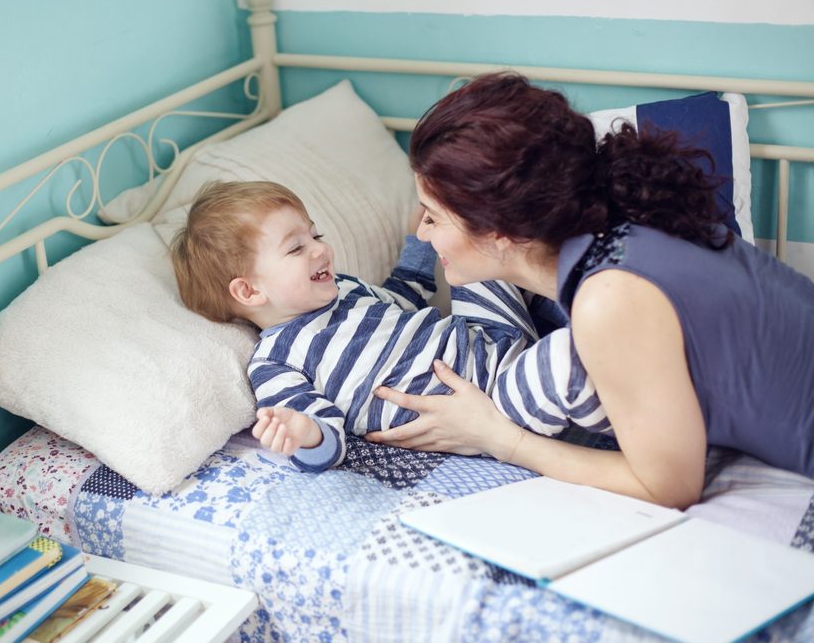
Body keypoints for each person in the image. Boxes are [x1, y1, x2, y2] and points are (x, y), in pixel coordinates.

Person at [366, 72, 814, 508]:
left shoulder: (610, 296)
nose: (422, 236)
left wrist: (499, 437)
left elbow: (669, 487)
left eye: (433, 217)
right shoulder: (626, 215)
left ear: (498, 230)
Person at [170, 180, 607, 472]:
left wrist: (419, 241)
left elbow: (406, 294)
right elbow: (328, 442)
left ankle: (591, 289)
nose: (320, 251)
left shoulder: (344, 288)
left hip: (492, 340)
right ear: (249, 292)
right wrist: (303, 433)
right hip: (490, 403)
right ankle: (641, 415)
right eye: (296, 248)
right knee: (570, 356)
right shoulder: (275, 361)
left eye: (315, 236)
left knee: (488, 250)